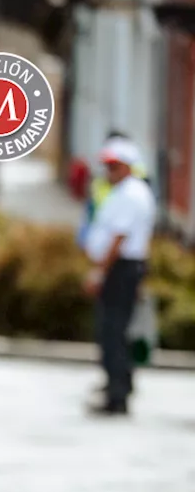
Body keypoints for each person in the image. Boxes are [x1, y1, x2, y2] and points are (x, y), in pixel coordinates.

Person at [83, 136, 156, 416]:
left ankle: (117, 394)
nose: (108, 172)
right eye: (107, 167)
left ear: (127, 167)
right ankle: (117, 386)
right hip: (123, 267)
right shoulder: (126, 191)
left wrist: (100, 273)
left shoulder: (131, 194)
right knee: (113, 329)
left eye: (114, 166)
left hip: (120, 268)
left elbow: (119, 237)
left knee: (112, 330)